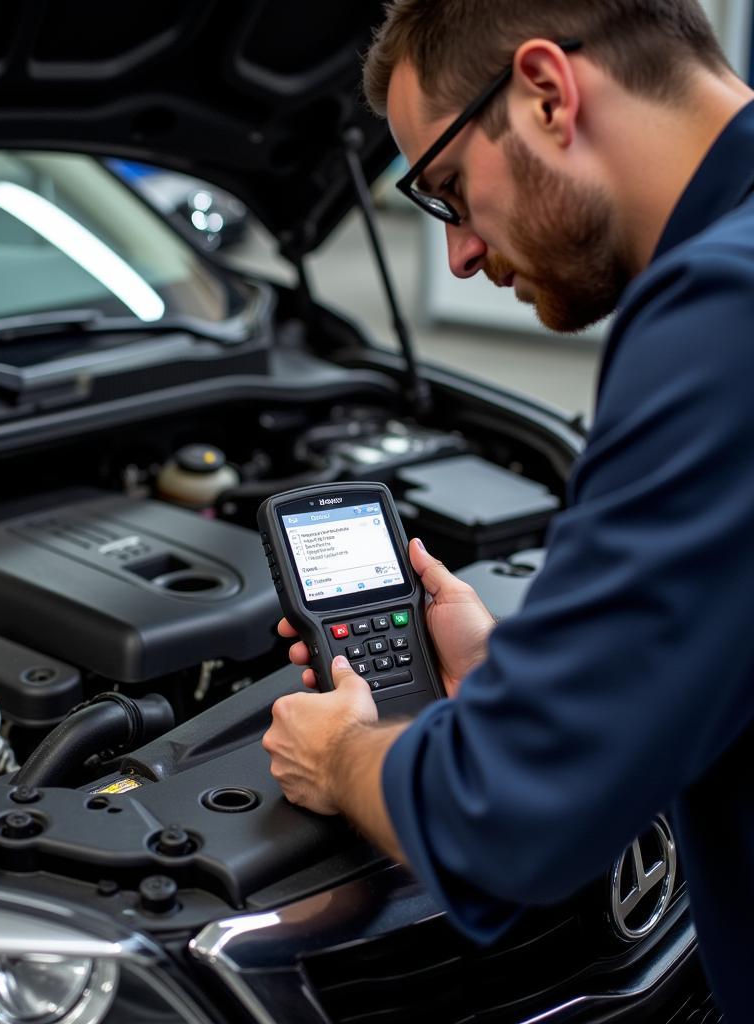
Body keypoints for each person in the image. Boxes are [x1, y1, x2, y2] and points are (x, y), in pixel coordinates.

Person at [261, 1, 754, 1016]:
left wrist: (341, 752)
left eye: (445, 190)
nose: (459, 256)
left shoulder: (721, 314)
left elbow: (509, 817)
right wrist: (519, 677)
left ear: (544, 91)